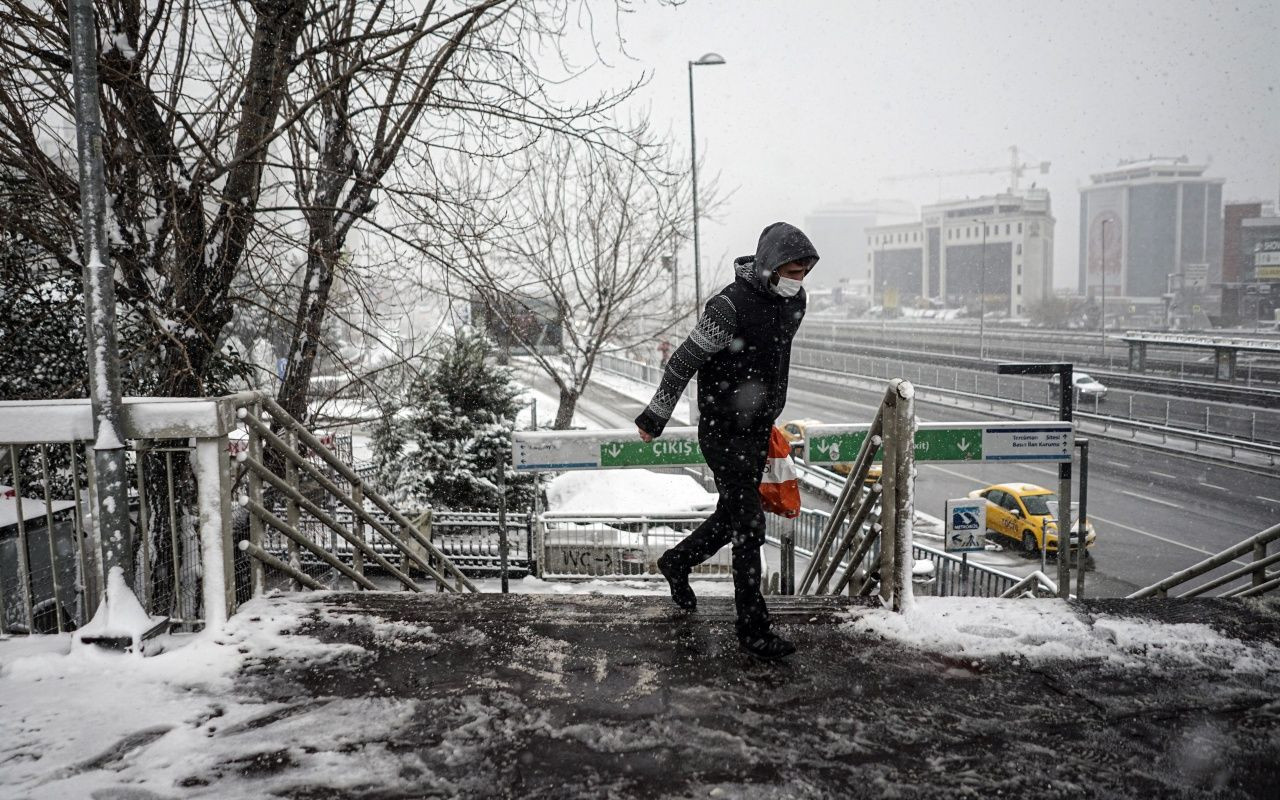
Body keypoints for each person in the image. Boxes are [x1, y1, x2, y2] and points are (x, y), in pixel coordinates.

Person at [635, 221, 818, 660]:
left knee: (731, 517)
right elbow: (681, 362)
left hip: (755, 430)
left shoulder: (796, 304)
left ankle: (676, 562)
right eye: (790, 272)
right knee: (750, 525)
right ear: (768, 266)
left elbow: (775, 359)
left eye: (803, 274)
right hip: (721, 431)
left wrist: (769, 409)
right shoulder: (728, 308)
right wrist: (654, 417)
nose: (797, 282)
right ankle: (752, 628)